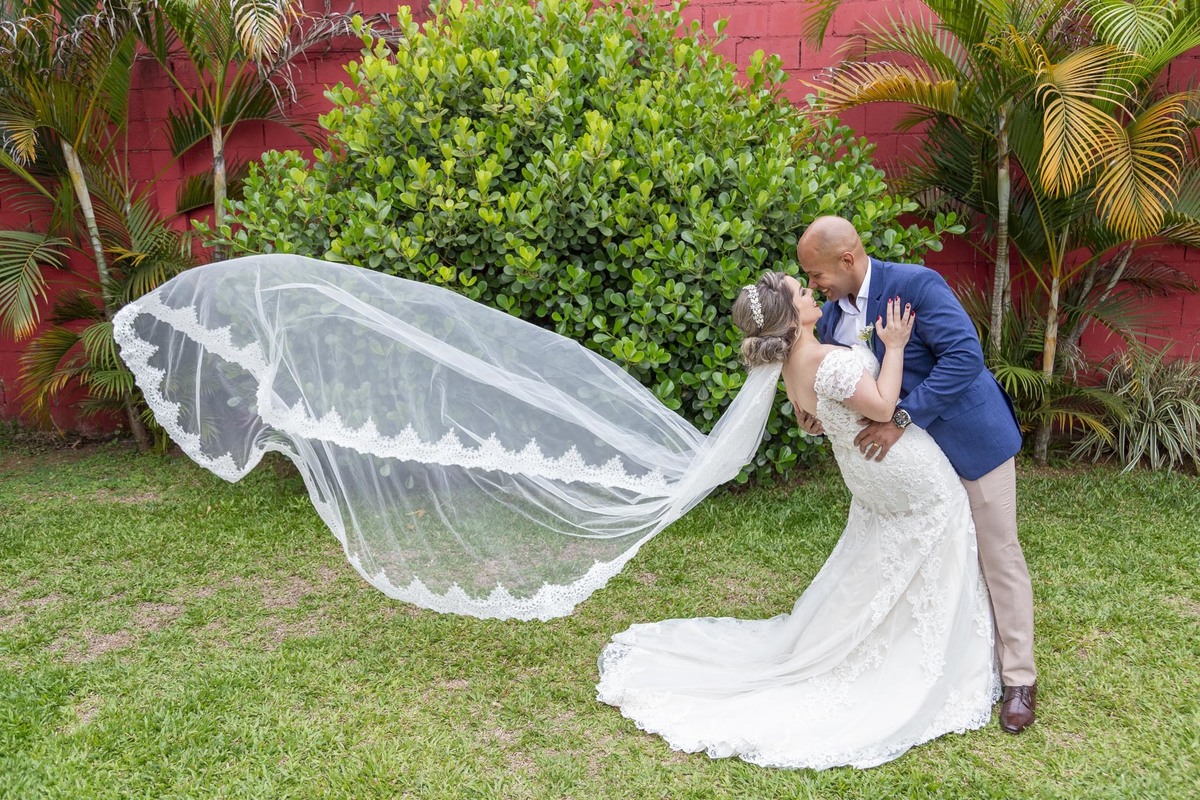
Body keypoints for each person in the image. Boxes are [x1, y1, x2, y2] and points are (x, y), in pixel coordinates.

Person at [595, 271, 1000, 769]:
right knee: (936, 526)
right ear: (792, 315)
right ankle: (929, 655)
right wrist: (893, 346)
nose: (811, 293)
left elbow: (821, 415)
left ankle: (896, 637)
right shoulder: (828, 361)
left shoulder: (791, 366)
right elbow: (884, 405)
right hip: (905, 473)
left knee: (886, 549)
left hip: (871, 479)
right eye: (800, 291)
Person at [796, 215, 1035, 734]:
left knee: (999, 551)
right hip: (915, 466)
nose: (814, 286)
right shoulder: (834, 316)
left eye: (816, 275)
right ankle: (951, 658)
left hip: (969, 438)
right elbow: (850, 382)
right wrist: (821, 412)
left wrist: (902, 418)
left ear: (847, 259)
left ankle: (1019, 679)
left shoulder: (915, 284)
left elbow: (964, 357)